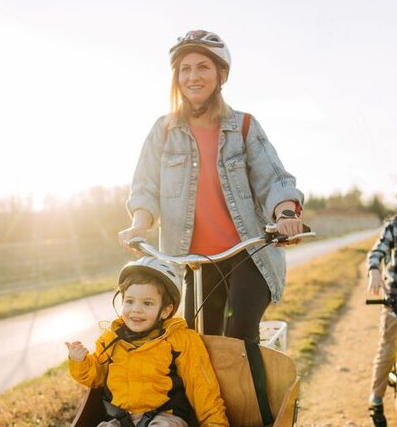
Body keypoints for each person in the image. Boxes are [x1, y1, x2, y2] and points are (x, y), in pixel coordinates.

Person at [118, 29, 304, 342]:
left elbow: (274, 180)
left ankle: (254, 393)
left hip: (248, 254)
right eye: (185, 69)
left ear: (221, 75)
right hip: (195, 262)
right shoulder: (162, 131)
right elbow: (144, 189)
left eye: (203, 67)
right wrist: (139, 225)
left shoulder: (243, 126)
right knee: (195, 344)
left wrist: (286, 215)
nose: (193, 76)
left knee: (238, 336)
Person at [66, 256, 229, 427]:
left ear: (165, 310)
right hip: (121, 419)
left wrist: (213, 420)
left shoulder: (180, 339)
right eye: (129, 301)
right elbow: (96, 378)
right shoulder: (111, 339)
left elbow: (201, 382)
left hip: (166, 416)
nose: (135, 310)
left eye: (147, 303)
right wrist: (80, 362)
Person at [366, 215, 397, 427]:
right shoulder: (393, 226)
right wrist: (374, 269)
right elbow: (377, 253)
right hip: (394, 303)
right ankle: (376, 401)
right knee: (387, 351)